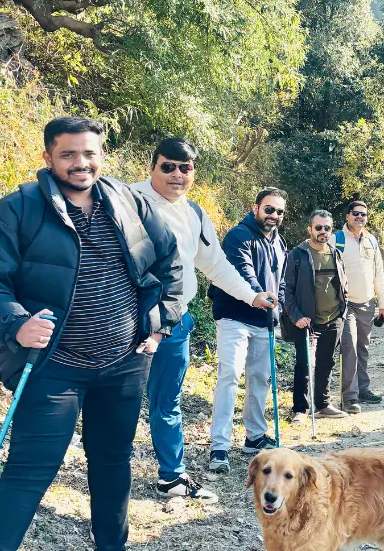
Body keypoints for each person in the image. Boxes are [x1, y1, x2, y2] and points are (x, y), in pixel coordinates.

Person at [0, 117, 183, 551]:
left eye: (89, 153)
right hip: (53, 368)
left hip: (125, 363)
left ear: (101, 156)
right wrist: (16, 323)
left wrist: (159, 326)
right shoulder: (17, 209)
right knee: (30, 470)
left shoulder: (129, 203)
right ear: (48, 156)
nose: (80, 163)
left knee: (112, 463)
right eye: (68, 154)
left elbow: (170, 266)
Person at [131, 139, 277, 501]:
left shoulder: (194, 213)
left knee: (167, 401)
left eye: (185, 167)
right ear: (152, 167)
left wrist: (252, 296)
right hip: (128, 319)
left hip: (176, 320)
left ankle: (172, 476)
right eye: (168, 166)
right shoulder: (127, 199)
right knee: (117, 399)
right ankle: (109, 474)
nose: (177, 174)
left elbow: (215, 266)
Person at [207, 188, 288, 473]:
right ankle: (219, 445)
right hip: (234, 316)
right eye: (269, 209)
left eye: (279, 211)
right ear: (256, 208)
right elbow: (243, 272)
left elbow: (281, 281)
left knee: (260, 378)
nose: (274, 216)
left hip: (264, 320)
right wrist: (259, 294)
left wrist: (278, 305)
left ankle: (254, 436)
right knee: (229, 376)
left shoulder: (279, 242)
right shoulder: (238, 236)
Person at [285, 210, 349, 421]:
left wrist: (342, 311)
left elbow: (342, 284)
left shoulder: (335, 254)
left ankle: (322, 405)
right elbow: (287, 290)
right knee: (304, 364)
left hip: (334, 318)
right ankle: (300, 409)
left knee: (326, 362)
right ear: (310, 229)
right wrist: (297, 317)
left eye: (327, 228)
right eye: (318, 227)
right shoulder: (296, 256)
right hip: (306, 321)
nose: (323, 231)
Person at [333, 200, 384, 414]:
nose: (360, 217)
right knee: (349, 348)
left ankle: (363, 389)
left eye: (363, 214)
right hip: (345, 305)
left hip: (367, 303)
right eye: (356, 213)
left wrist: (383, 304)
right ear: (347, 215)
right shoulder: (335, 239)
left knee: (363, 348)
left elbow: (378, 274)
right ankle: (349, 397)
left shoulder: (372, 241)